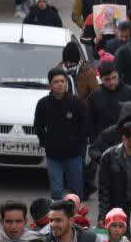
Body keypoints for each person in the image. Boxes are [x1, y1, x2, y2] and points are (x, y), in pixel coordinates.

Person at [35, 67, 91, 200]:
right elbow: (38, 126)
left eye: (62, 81)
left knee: (76, 192)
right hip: (53, 156)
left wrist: (78, 143)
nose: (60, 84)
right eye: (56, 81)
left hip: (74, 155)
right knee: (56, 191)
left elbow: (85, 126)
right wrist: (46, 142)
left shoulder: (77, 103)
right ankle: (59, 217)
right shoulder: (43, 104)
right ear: (51, 84)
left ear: (67, 83)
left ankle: (76, 218)